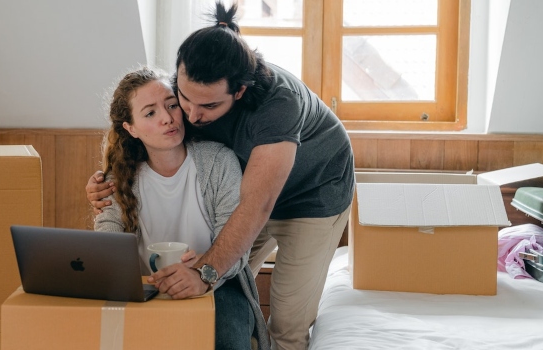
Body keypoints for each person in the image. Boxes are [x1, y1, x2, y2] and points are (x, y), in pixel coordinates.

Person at [87, 3, 355, 349]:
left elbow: (257, 205)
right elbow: (143, 138)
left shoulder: (278, 106)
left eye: (209, 106)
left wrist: (204, 273)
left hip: (313, 195)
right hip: (242, 191)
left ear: (239, 91)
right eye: (182, 98)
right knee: (232, 281)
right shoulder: (188, 87)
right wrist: (103, 182)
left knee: (286, 323)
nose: (190, 115)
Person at [92, 66, 270, 350]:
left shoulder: (219, 161)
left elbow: (238, 247)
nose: (167, 118)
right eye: (150, 113)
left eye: (172, 105)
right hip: (146, 289)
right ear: (131, 128)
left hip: (218, 286)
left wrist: (202, 271)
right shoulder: (119, 179)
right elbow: (107, 242)